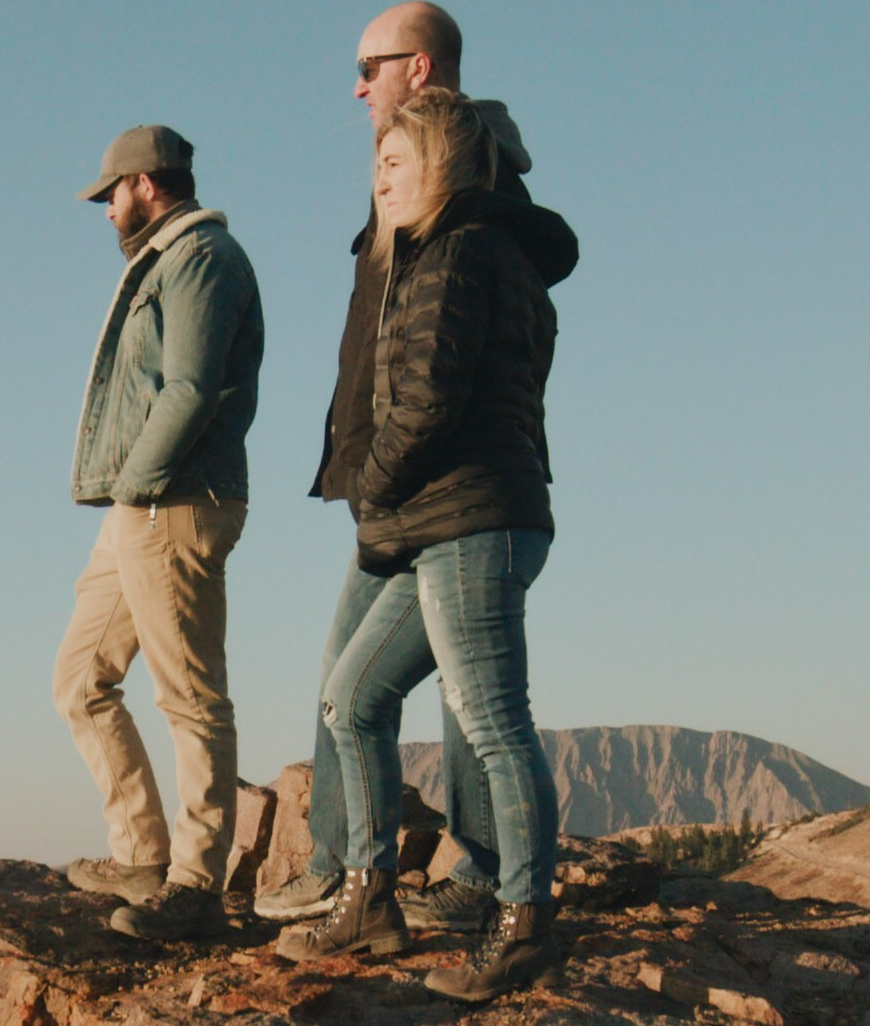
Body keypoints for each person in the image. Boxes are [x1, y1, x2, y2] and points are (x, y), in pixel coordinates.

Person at [257, 1, 583, 942]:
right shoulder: (437, 202)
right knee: (364, 690)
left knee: (476, 706)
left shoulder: (467, 214)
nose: (357, 86)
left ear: (426, 68)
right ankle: (374, 883)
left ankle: (489, 896)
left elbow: (441, 379)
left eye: (372, 64)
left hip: (442, 497)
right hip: (415, 491)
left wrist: (378, 474)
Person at [49, 124, 266, 942]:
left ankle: (195, 884)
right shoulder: (168, 261)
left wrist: (139, 482)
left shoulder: (203, 259)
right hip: (134, 508)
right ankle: (142, 852)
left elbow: (192, 387)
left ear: (146, 182)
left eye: (111, 193)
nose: (106, 210)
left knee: (190, 696)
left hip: (173, 501)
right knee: (79, 682)